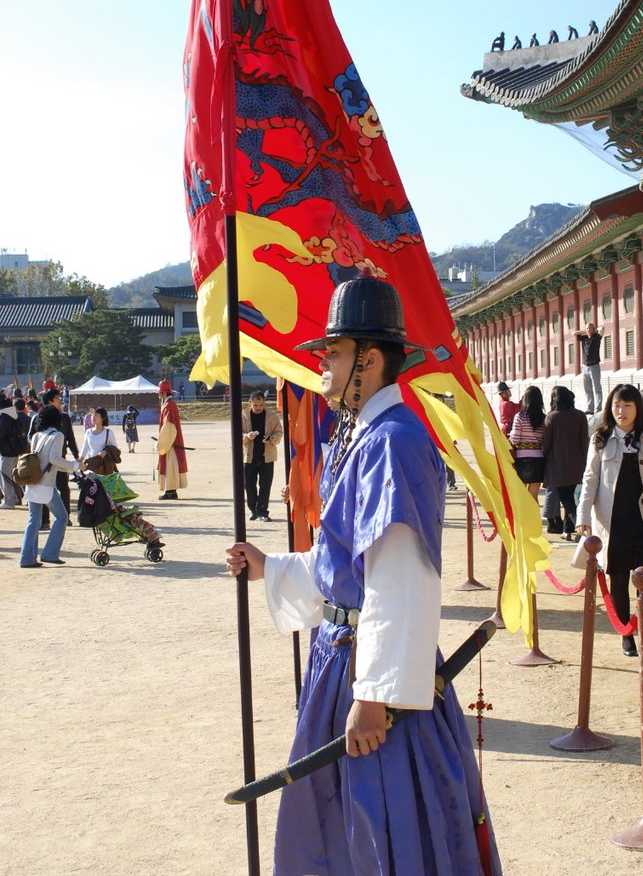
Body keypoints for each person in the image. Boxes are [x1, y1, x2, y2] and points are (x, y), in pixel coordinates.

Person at [226, 274, 501, 876]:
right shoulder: (365, 434)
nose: (322, 364)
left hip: (373, 680)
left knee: (385, 828)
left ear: (370, 361)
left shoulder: (393, 441)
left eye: (334, 352)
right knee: (338, 832)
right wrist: (270, 568)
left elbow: (398, 582)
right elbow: (342, 568)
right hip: (345, 664)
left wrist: (373, 697)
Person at [573, 384, 643, 657]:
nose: (621, 411)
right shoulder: (600, 439)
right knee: (619, 580)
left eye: (627, 405)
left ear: (637, 408)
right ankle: (627, 634)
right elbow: (589, 481)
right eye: (616, 405)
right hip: (611, 523)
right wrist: (582, 517)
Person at [18, 405, 82, 567]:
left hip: (32, 482)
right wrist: (76, 466)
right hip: (46, 484)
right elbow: (54, 460)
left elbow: (47, 461)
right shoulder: (58, 435)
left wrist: (73, 467)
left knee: (34, 520)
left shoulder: (38, 435)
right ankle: (50, 553)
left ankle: (27, 558)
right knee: (62, 517)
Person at [541, 386, 589, 538]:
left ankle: (580, 528)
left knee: (567, 500)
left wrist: (543, 458)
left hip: (558, 466)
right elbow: (584, 442)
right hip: (577, 465)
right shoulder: (581, 416)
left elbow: (546, 444)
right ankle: (567, 531)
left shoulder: (551, 417)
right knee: (571, 498)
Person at [29, 387, 80, 527]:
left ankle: (66, 517)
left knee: (64, 488)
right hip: (42, 463)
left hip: (60, 460)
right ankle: (45, 521)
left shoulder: (64, 417)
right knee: (43, 490)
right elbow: (30, 437)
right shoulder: (37, 417)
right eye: (57, 398)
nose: (60, 400)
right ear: (50, 401)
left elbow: (70, 437)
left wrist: (76, 454)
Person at [242, 390, 283, 521]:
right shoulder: (243, 416)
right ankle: (252, 509)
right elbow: (237, 434)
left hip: (267, 456)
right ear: (250, 403)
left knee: (265, 485)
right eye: (255, 405)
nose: (258, 408)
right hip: (249, 456)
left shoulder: (272, 415)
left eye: (260, 405)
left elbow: (279, 432)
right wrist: (247, 436)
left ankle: (262, 511)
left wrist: (271, 438)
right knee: (249, 485)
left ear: (264, 403)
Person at [509, 385, 546, 500]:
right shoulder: (544, 418)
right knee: (533, 496)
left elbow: (515, 439)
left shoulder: (520, 416)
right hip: (539, 460)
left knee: (520, 496)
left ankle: (523, 518)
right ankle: (534, 518)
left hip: (522, 460)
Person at [157, 380, 188, 501]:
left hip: (170, 442)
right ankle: (170, 490)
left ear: (163, 393)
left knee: (170, 466)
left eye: (159, 392)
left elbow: (169, 426)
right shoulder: (169, 404)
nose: (158, 395)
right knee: (170, 466)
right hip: (170, 440)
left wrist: (163, 442)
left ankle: (170, 491)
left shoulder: (169, 406)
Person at [0, 393, 23, 509]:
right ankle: (12, 498)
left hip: (7, 451)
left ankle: (9, 501)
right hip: (13, 450)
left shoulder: (4, 418)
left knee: (5, 476)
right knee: (8, 476)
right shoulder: (12, 416)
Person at [575, 322, 604, 414]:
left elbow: (602, 329)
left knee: (597, 388)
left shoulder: (596, 338)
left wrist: (593, 330)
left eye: (590, 328)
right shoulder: (584, 338)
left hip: (594, 366)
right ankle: (590, 408)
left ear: (593, 329)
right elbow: (574, 333)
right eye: (587, 328)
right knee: (587, 389)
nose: (588, 329)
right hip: (585, 367)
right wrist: (586, 330)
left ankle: (598, 408)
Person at [80, 407, 119, 472]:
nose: (93, 417)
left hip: (104, 466)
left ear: (103, 418)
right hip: (91, 464)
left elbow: (115, 449)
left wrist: (106, 452)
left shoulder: (108, 432)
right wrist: (80, 460)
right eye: (93, 415)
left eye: (96, 415)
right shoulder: (88, 432)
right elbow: (85, 447)